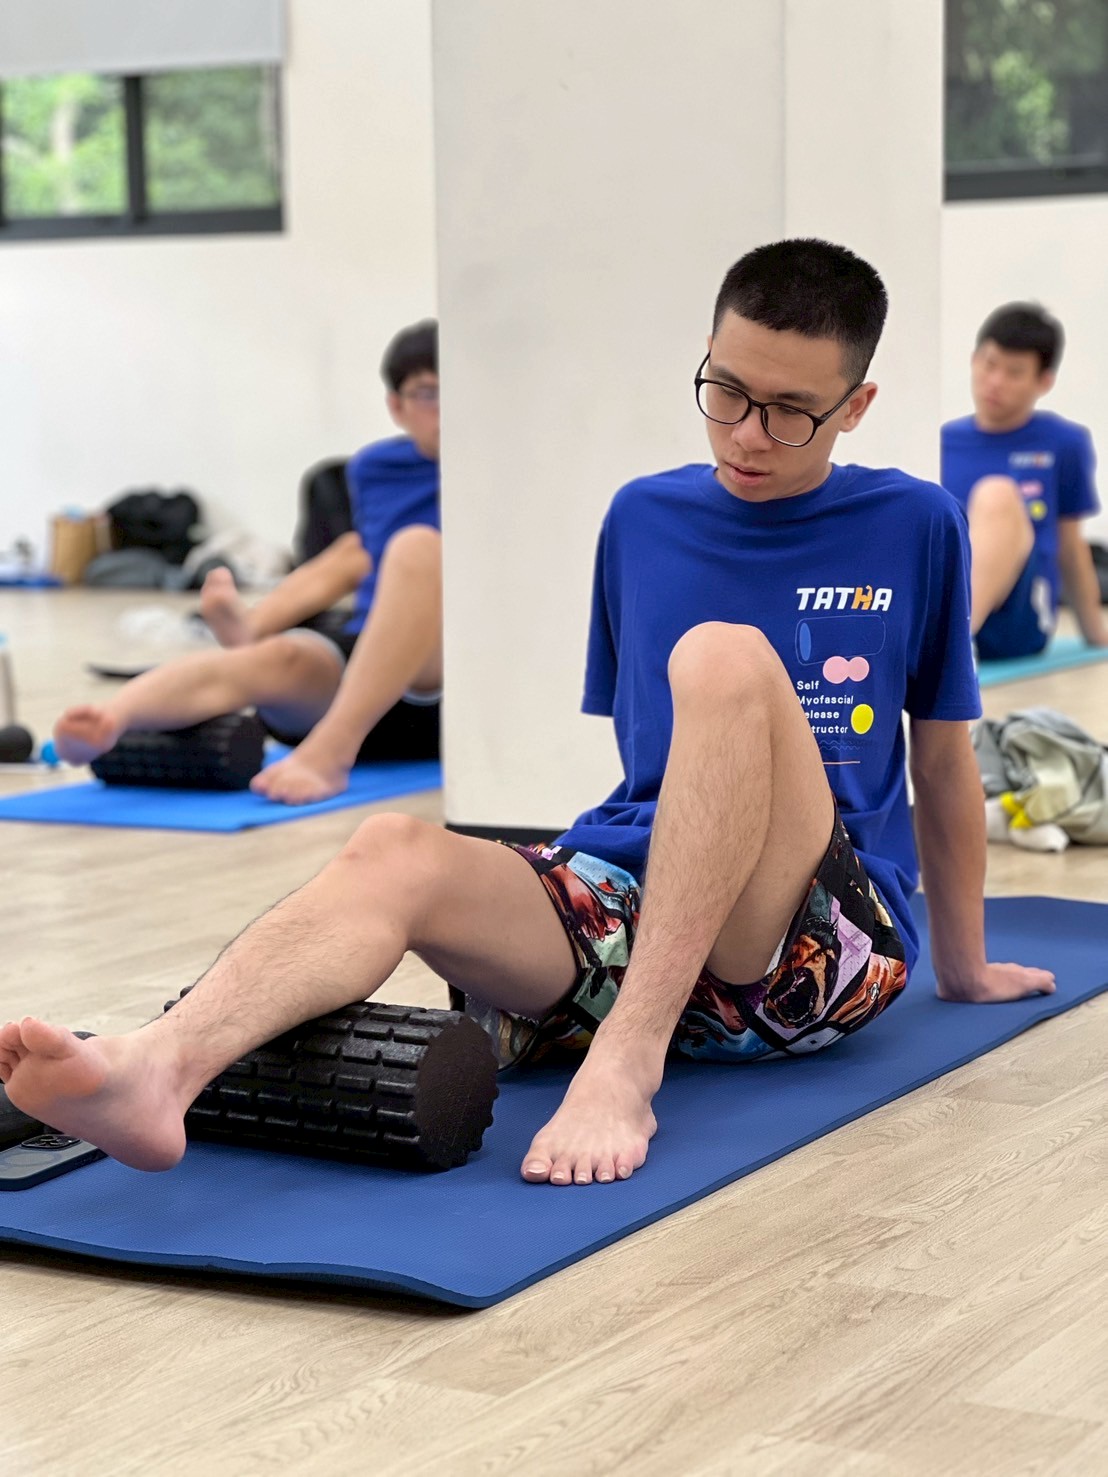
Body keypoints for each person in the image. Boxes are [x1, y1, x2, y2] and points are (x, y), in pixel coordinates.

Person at [1, 240, 1054, 1189]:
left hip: (815, 943)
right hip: (646, 898)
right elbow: (654, 768)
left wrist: (962, 966)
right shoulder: (642, 517)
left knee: (724, 656)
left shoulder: (914, 521)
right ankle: (157, 1069)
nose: (747, 433)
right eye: (726, 391)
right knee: (391, 849)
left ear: (856, 407)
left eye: (790, 410)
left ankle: (627, 1059)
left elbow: (942, 762)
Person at [51, 320, 444, 805]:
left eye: (456, 393)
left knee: (416, 547)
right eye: (428, 393)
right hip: (365, 662)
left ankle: (332, 749)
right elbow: (357, 557)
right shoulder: (376, 468)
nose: (445, 410)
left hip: (449, 675)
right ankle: (112, 719)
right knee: (281, 652)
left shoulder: (503, 464)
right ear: (397, 406)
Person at [941, 303, 1107, 659]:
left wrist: (1096, 633)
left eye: (1014, 372)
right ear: (974, 360)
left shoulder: (1064, 442)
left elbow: (1070, 545)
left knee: (997, 494)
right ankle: (940, 641)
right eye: (989, 364)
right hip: (947, 593)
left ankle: (945, 650)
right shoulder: (942, 440)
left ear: (1043, 381)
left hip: (1018, 617)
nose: (995, 382)